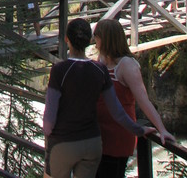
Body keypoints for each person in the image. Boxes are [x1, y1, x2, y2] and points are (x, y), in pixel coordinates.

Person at [43, 18, 154, 178]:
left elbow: (49, 118)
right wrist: (139, 130)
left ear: (67, 39)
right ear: (89, 41)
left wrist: (49, 138)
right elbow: (117, 111)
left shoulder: (59, 69)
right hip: (92, 143)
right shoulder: (100, 69)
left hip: (64, 142)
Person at [94, 19, 175, 178]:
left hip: (118, 136)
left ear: (106, 38)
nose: (94, 40)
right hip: (99, 135)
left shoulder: (127, 65)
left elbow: (143, 100)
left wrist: (162, 129)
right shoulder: (102, 60)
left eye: (97, 36)